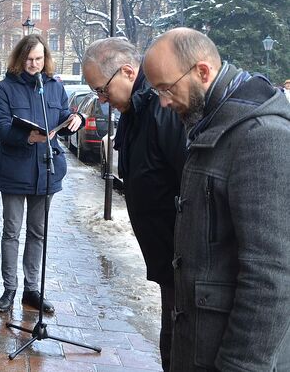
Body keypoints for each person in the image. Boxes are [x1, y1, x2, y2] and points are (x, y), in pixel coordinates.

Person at [143, 28, 290, 371]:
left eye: (166, 88)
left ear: (202, 72)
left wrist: (240, 365)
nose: (163, 102)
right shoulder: (211, 123)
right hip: (199, 347)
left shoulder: (262, 137)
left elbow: (271, 275)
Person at [82, 38, 186, 371]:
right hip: (166, 256)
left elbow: (189, 181)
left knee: (179, 344)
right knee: (170, 339)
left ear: (128, 71)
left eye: (102, 90)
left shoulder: (161, 107)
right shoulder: (133, 108)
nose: (102, 99)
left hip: (181, 256)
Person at [0, 34, 83, 314]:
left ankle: (32, 289)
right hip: (15, 169)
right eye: (29, 59)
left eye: (39, 59)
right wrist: (26, 137)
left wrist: (77, 120)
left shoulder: (54, 86)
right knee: (11, 231)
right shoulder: (5, 88)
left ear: (46, 59)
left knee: (37, 232)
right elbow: (0, 125)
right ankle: (9, 288)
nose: (34, 64)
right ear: (20, 59)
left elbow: (64, 117)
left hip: (47, 170)